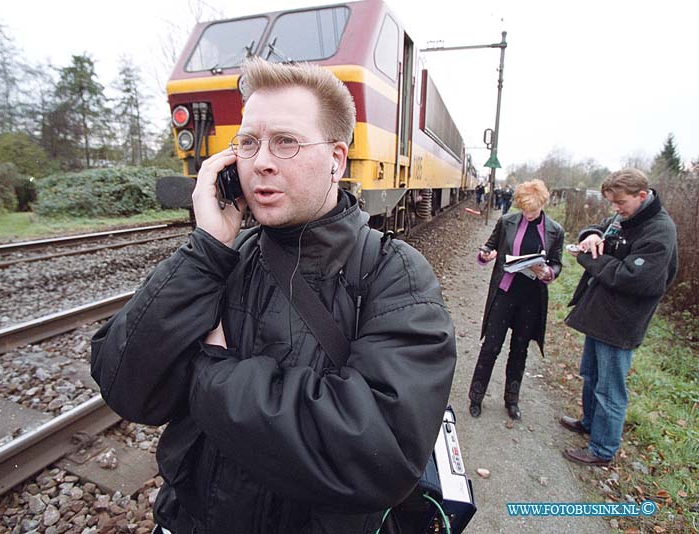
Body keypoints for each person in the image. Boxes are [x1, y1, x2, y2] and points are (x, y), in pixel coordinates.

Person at [90, 57, 456, 533]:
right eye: (248, 142)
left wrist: (211, 373)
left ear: (336, 159)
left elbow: (375, 454)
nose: (260, 161)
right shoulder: (221, 257)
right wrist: (204, 252)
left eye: (286, 142)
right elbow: (125, 386)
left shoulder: (395, 275)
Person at [560, 168, 677, 466]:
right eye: (612, 203)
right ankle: (589, 423)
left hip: (621, 322)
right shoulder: (626, 217)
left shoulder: (659, 231)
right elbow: (601, 227)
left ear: (642, 195)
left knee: (610, 389)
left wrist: (588, 258)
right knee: (591, 374)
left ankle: (603, 449)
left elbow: (632, 278)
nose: (615, 209)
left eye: (620, 203)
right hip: (600, 314)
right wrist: (590, 236)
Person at [469, 179, 564, 420]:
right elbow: (488, 247)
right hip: (505, 292)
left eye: (532, 210)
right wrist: (486, 255)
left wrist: (548, 272)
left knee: (520, 350)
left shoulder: (555, 230)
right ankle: (476, 396)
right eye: (524, 209)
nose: (528, 214)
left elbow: (556, 262)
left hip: (531, 297)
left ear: (542, 204)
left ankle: (512, 399)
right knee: (491, 346)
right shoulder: (507, 221)